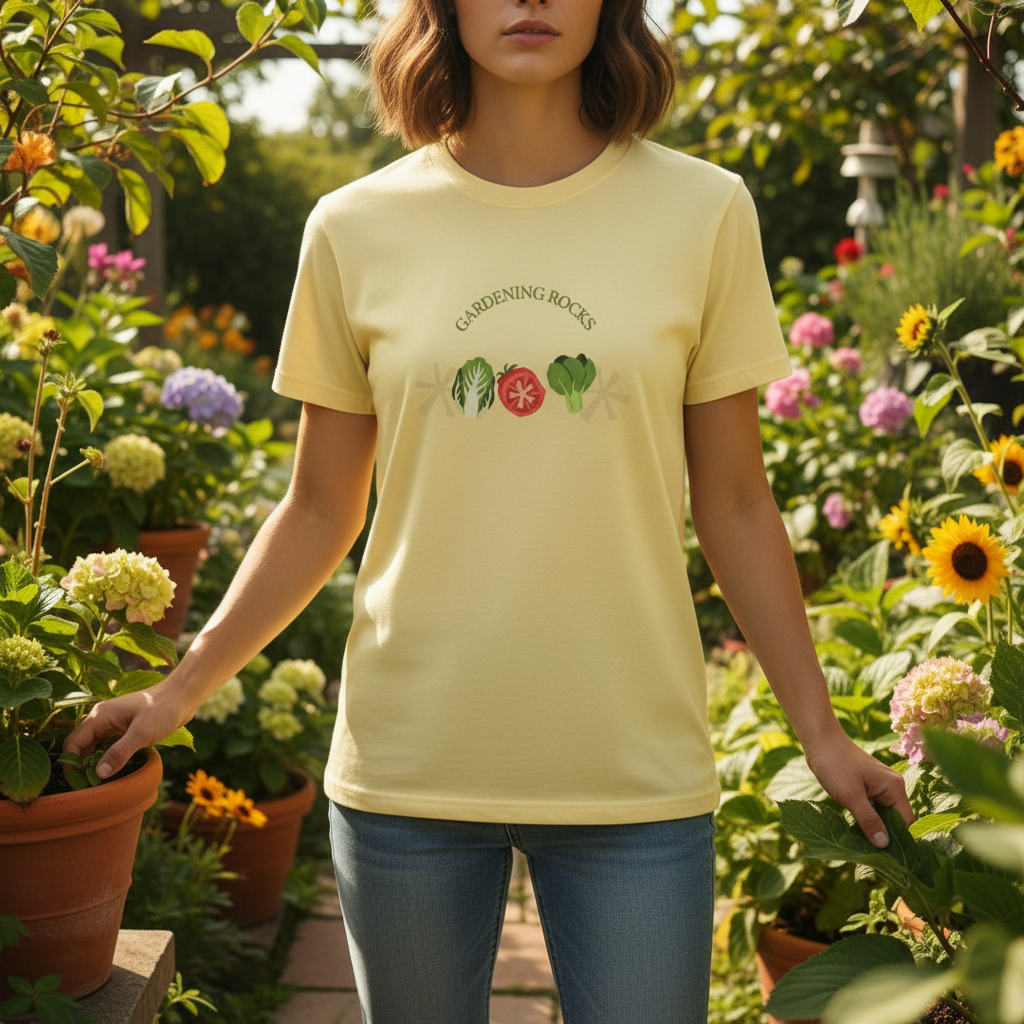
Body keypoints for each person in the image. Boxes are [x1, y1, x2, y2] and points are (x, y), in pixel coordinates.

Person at [66, 2, 916, 1021]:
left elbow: (733, 499)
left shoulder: (704, 210)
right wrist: (177, 688)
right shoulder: (354, 227)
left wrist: (818, 733)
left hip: (633, 772)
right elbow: (319, 505)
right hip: (407, 769)